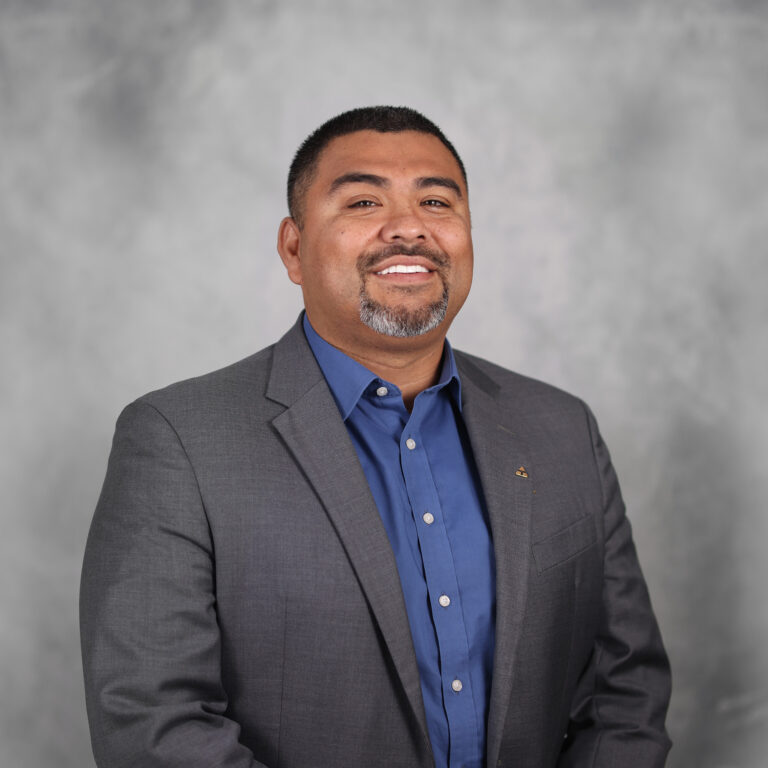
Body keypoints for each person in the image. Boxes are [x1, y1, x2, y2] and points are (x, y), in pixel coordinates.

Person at [80, 106, 672, 768]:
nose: (409, 227)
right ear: (294, 248)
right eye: (363, 200)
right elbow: (155, 726)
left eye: (436, 201)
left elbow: (626, 694)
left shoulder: (562, 429)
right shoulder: (180, 441)